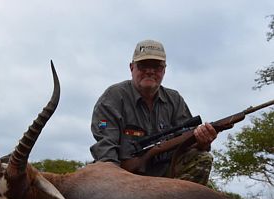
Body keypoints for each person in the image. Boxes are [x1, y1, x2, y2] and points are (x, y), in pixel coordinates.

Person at [90, 39, 217, 185]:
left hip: (164, 174)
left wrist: (202, 142)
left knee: (202, 157)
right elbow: (105, 150)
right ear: (132, 68)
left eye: (156, 67)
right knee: (100, 174)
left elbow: (187, 143)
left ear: (164, 70)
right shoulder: (112, 97)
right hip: (122, 177)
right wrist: (118, 182)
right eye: (143, 66)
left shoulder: (174, 99)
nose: (150, 71)